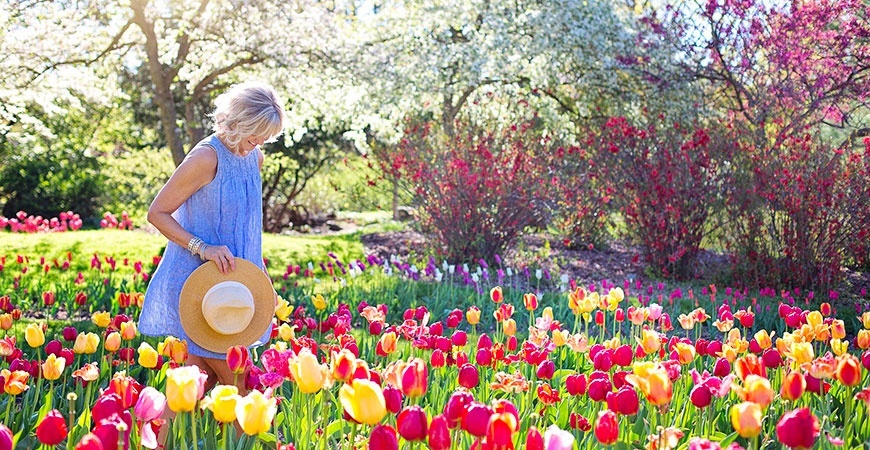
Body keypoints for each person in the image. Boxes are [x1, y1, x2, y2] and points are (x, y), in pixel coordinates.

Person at [139, 81, 286, 393]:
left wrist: (262, 279)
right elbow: (157, 213)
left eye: (265, 138)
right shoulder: (206, 158)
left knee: (193, 388)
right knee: (245, 389)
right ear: (237, 122)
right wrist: (202, 247)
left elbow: (246, 231)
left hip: (236, 286)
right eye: (255, 135)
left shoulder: (254, 158)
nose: (259, 143)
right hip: (204, 288)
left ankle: (147, 428)